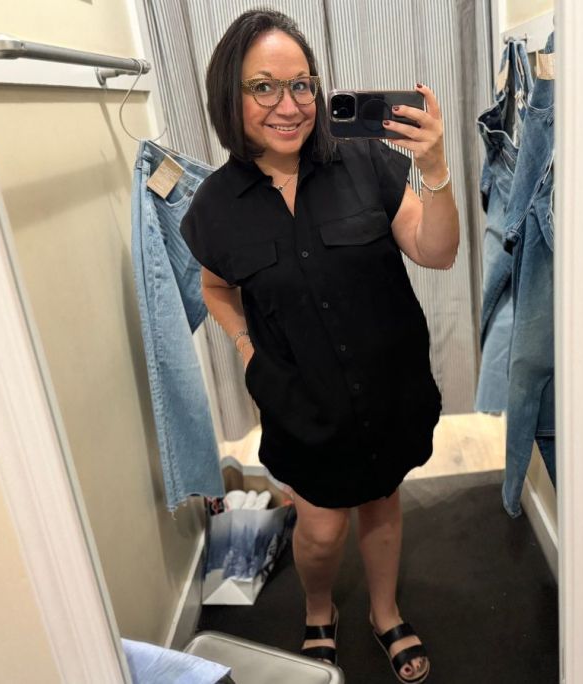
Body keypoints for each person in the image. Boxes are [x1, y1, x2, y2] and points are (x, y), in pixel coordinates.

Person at [180, 9, 459, 683]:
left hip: (388, 386)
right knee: (323, 528)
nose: (290, 104)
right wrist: (247, 348)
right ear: (231, 95)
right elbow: (216, 287)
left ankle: (385, 612)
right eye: (264, 88)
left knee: (383, 503)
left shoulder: (366, 162)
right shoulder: (213, 207)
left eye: (301, 84)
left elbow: (437, 251)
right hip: (300, 400)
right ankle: (317, 609)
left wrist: (437, 171)